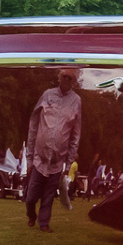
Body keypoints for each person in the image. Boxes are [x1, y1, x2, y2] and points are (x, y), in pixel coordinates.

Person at [24, 68, 83, 233]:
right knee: (30, 197)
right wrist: (29, 158)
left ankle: (44, 223)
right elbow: (34, 123)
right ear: (59, 77)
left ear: (74, 81)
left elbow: (76, 135)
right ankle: (31, 215)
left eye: (70, 78)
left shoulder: (76, 101)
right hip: (39, 159)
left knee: (48, 196)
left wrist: (68, 163)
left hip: (57, 162)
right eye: (64, 76)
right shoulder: (47, 95)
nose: (66, 80)